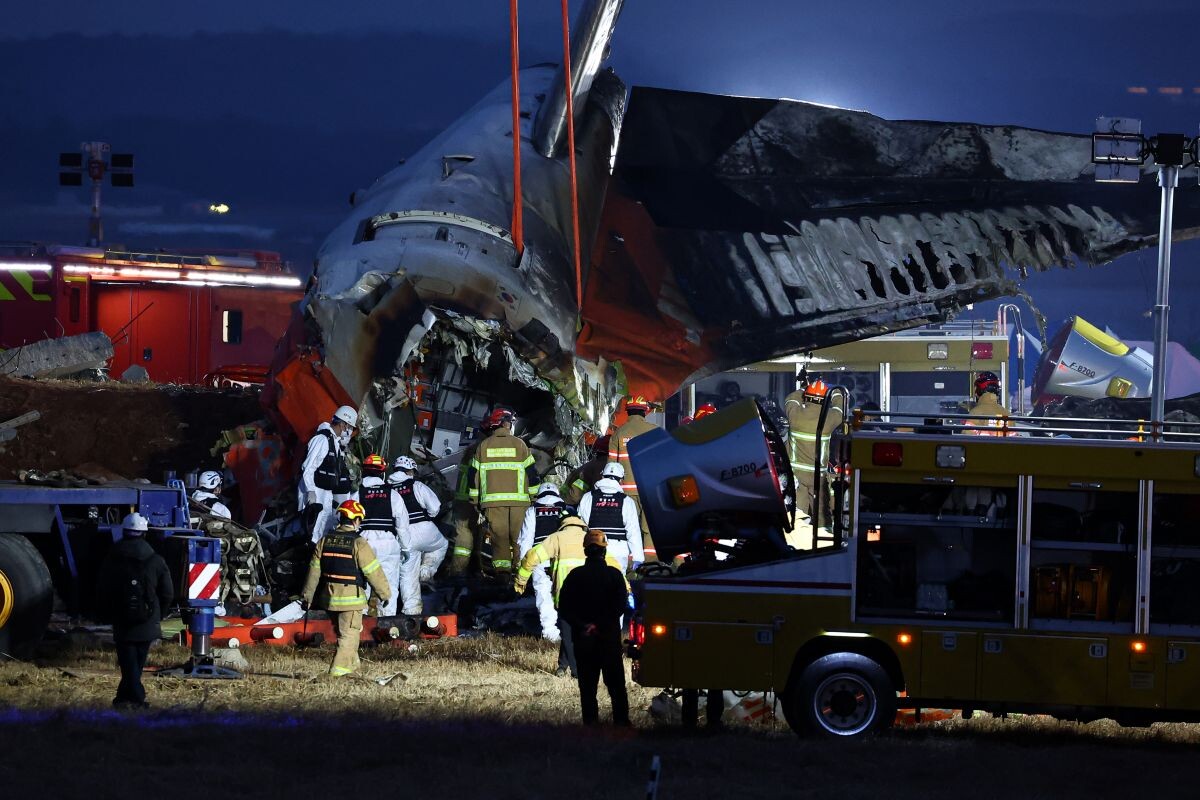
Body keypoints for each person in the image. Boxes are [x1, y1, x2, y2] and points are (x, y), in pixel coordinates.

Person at [514, 516, 627, 677]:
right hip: (590, 598)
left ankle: (577, 672)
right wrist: (626, 587)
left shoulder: (556, 538)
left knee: (568, 634)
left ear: (563, 524)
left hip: (565, 597)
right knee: (574, 633)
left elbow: (532, 557)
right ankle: (563, 666)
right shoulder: (589, 539)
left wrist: (521, 579)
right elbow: (613, 565)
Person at [300, 500, 392, 677]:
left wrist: (307, 596)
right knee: (349, 635)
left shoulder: (324, 540)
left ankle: (354, 668)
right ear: (356, 520)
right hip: (351, 599)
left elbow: (313, 572)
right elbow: (373, 571)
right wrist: (384, 593)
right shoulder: (359, 543)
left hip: (329, 598)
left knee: (347, 633)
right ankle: (337, 672)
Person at [95, 512, 174, 709]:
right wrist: (159, 613)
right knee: (135, 663)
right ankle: (132, 699)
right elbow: (167, 593)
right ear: (144, 533)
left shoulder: (112, 558)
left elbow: (102, 589)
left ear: (124, 531)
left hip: (122, 620)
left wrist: (106, 613)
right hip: (147, 620)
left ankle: (128, 699)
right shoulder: (155, 560)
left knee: (128, 663)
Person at [557, 529, 632, 726]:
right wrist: (601, 624)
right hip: (608, 640)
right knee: (616, 687)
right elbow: (620, 606)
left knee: (587, 688)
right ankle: (621, 723)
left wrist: (584, 625)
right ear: (603, 551)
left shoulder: (575, 576)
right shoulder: (614, 575)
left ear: (586, 551)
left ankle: (590, 725)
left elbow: (564, 607)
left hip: (583, 641)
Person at [469, 408, 538, 576]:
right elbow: (532, 474)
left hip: (492, 504)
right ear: (505, 423)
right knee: (519, 538)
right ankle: (521, 573)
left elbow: (473, 475)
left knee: (499, 540)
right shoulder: (519, 444)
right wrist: (533, 496)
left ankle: (502, 574)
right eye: (511, 422)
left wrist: (475, 501)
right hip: (519, 504)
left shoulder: (483, 446)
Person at [389, 455, 448, 614]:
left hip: (402, 536)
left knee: (407, 575)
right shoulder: (416, 485)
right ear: (410, 471)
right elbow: (435, 507)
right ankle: (426, 572)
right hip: (423, 528)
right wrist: (428, 515)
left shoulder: (387, 488)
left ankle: (411, 611)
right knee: (442, 545)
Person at [783, 378, 843, 527]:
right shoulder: (830, 418)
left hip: (796, 474)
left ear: (806, 398)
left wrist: (804, 388)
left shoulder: (795, 415)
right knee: (822, 515)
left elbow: (791, 398)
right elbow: (840, 405)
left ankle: (797, 544)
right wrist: (832, 389)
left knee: (797, 514)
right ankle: (826, 545)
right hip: (819, 476)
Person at [516, 482, 569, 642]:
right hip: (562, 557)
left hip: (540, 558)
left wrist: (524, 565)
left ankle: (550, 633)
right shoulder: (566, 510)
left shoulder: (532, 511)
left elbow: (526, 540)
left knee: (544, 594)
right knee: (566, 593)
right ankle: (568, 629)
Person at [356, 454, 407, 616]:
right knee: (388, 584)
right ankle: (386, 625)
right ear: (382, 473)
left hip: (363, 543)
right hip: (388, 544)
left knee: (362, 583)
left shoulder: (357, 494)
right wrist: (406, 548)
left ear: (363, 472)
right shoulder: (393, 494)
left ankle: (359, 622)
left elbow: (343, 519)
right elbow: (402, 524)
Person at [608, 396, 658, 561]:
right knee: (650, 528)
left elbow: (611, 468)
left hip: (626, 492)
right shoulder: (655, 432)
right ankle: (651, 565)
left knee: (628, 528)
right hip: (650, 490)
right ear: (645, 411)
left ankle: (630, 567)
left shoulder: (618, 434)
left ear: (627, 411)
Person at [298, 405, 359, 542]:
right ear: (343, 424)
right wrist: (310, 492)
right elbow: (308, 468)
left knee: (322, 531)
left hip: (325, 494)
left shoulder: (335, 443)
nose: (349, 431)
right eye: (349, 427)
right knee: (311, 532)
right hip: (315, 493)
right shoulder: (322, 439)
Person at [577, 462, 643, 574]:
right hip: (619, 551)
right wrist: (638, 558)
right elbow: (633, 531)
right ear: (621, 480)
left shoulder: (588, 497)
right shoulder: (627, 501)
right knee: (615, 586)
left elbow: (581, 524)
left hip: (594, 548)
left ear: (602, 476)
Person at [447, 435, 484, 575]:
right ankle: (460, 569)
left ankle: (470, 568)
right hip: (470, 500)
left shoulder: (469, 453)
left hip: (463, 499)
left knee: (470, 532)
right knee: (467, 534)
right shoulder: (480, 455)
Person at [561, 435, 609, 507]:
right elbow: (576, 497)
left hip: (566, 501)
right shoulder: (603, 465)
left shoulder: (592, 464)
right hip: (573, 504)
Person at [967, 371, 1010, 436]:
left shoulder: (975, 413)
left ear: (978, 390)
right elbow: (1013, 440)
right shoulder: (1006, 414)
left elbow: (967, 439)